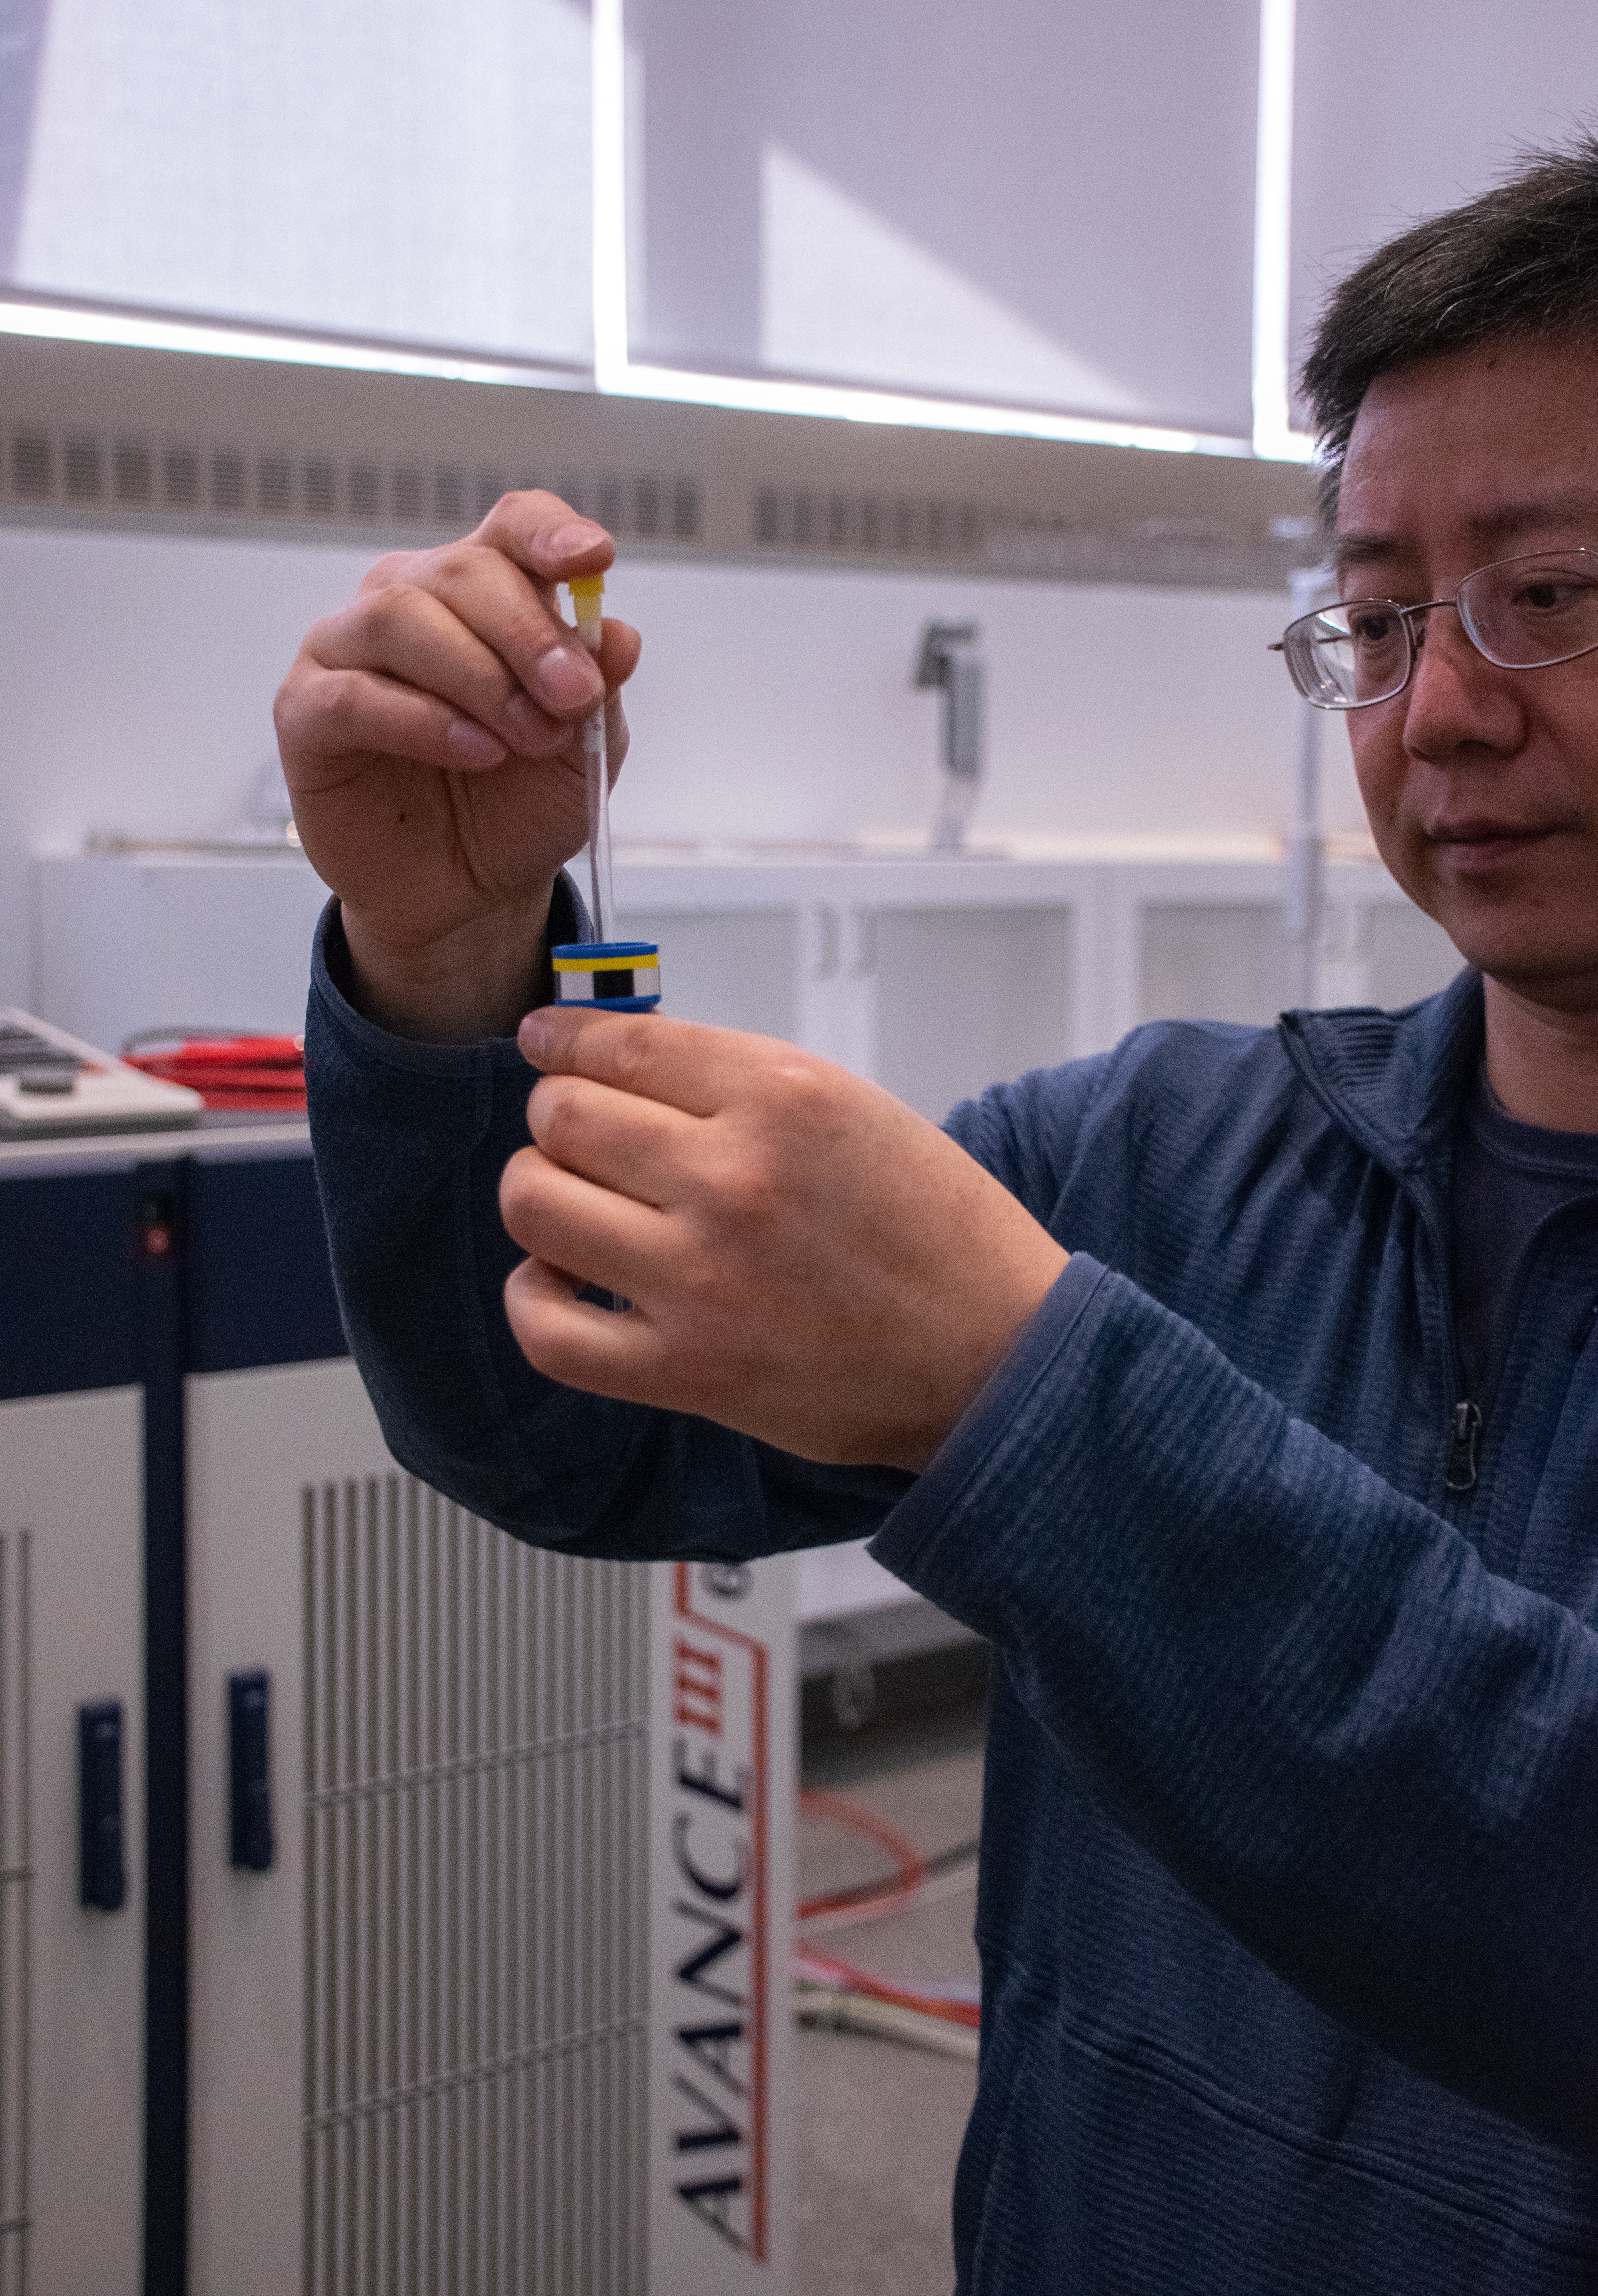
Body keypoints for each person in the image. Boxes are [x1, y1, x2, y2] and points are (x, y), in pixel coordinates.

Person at [277, 141, 1598, 2292]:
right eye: (1374, 620)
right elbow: (569, 1430)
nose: (1442, 708)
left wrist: (1033, 1396)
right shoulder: (1166, 1164)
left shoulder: (1065, 1274)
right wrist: (450, 962)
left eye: (1551, 594)